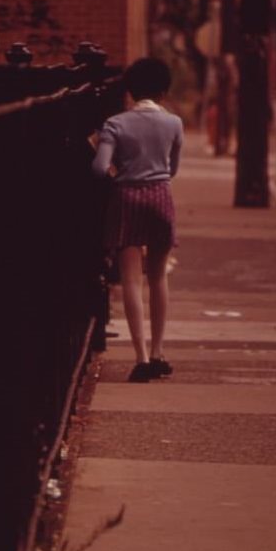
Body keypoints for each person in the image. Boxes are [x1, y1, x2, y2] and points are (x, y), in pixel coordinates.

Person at [92, 57, 184, 383]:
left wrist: (120, 171)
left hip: (127, 198)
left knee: (132, 279)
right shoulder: (174, 123)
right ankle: (159, 352)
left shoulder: (115, 124)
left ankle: (141, 357)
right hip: (160, 196)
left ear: (130, 89)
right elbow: (172, 169)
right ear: (163, 89)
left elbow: (100, 168)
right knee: (159, 277)